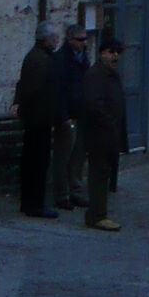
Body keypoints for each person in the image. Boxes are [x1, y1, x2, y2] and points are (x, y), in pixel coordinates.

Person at [12, 22, 62, 219]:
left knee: (35, 161)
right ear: (46, 38)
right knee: (37, 162)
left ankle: (31, 203)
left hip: (37, 117)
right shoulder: (40, 60)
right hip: (38, 119)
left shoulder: (38, 57)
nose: (56, 40)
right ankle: (34, 204)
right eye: (54, 37)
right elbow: (32, 89)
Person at [79, 34, 128, 231]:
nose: (115, 56)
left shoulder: (111, 75)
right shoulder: (95, 75)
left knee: (104, 173)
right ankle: (97, 215)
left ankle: (98, 213)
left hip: (109, 133)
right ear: (102, 53)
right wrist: (109, 122)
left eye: (118, 52)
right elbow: (93, 105)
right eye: (111, 52)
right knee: (99, 174)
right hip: (99, 134)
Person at [53, 21, 90, 210]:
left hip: (80, 112)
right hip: (67, 115)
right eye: (80, 39)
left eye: (85, 39)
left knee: (77, 156)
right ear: (70, 40)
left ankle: (75, 191)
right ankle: (62, 194)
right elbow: (58, 90)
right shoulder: (61, 59)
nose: (84, 43)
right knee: (63, 156)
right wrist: (64, 116)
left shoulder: (83, 58)